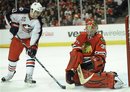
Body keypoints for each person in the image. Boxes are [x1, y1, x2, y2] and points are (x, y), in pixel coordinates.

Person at [65, 18, 124, 89]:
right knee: (75, 53)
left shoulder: (99, 38)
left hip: (94, 65)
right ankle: (77, 74)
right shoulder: (81, 36)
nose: (90, 30)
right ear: (85, 28)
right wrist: (70, 69)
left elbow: (100, 57)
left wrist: (87, 63)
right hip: (81, 65)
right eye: (88, 28)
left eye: (92, 28)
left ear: (96, 29)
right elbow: (75, 52)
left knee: (87, 81)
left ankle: (110, 79)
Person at [1, 2, 44, 84]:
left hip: (29, 38)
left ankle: (28, 76)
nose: (38, 14)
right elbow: (7, 15)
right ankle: (10, 74)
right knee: (12, 58)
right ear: (32, 10)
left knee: (31, 55)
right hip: (17, 38)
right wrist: (12, 25)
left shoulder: (38, 22)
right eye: (37, 12)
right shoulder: (21, 12)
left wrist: (32, 47)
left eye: (39, 13)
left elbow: (36, 35)